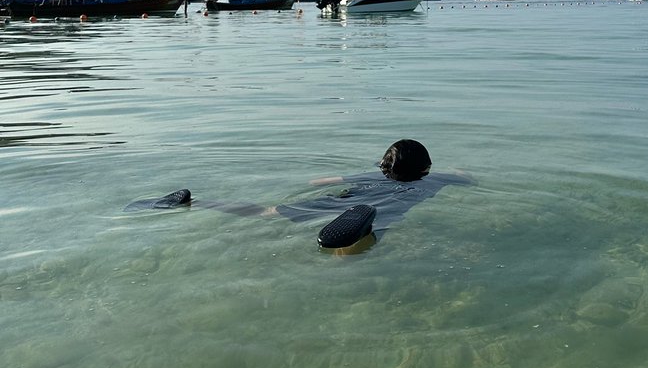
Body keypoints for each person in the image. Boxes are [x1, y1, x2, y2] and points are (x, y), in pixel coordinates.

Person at [126, 140, 472, 247]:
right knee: (371, 234)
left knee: (269, 211)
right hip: (388, 206)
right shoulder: (432, 180)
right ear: (425, 167)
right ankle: (349, 243)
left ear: (385, 164)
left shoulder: (370, 174)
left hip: (347, 197)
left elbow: (318, 182)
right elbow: (466, 178)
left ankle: (197, 202)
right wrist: (452, 173)